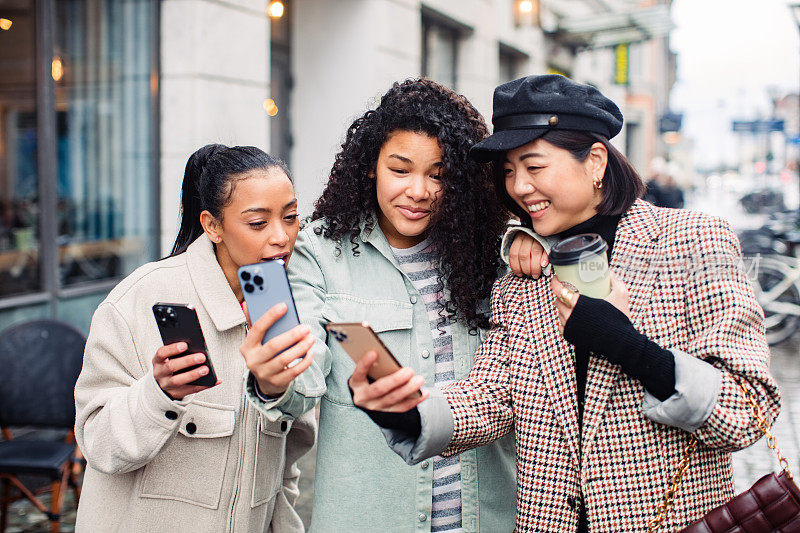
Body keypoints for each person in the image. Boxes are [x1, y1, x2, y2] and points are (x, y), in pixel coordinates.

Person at [350, 75, 781, 532]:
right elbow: (491, 398)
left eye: (534, 167)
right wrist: (408, 412)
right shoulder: (521, 277)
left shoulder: (693, 242)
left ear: (595, 161)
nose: (518, 187)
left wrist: (628, 347)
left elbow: (748, 410)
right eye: (509, 171)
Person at [246, 79, 544, 532]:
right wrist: (273, 382)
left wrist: (535, 240)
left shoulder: (496, 252)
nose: (419, 191)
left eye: (439, 175)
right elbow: (301, 382)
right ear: (371, 167)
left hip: (489, 518)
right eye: (400, 170)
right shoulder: (322, 253)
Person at [74, 144, 317, 532]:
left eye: (290, 218)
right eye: (258, 223)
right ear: (212, 225)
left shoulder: (291, 306)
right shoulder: (137, 300)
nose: (281, 237)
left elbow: (286, 463)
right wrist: (159, 393)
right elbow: (97, 443)